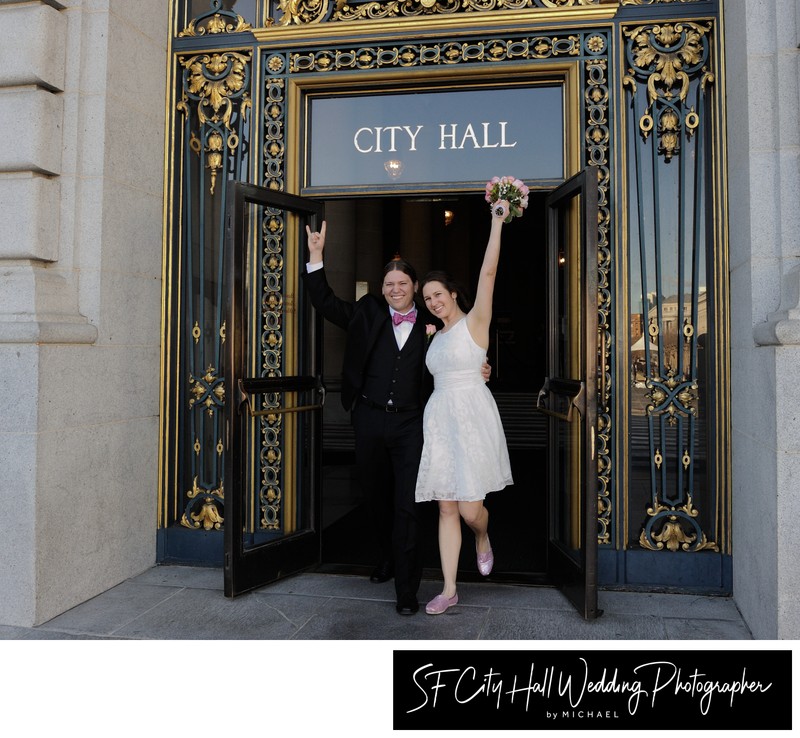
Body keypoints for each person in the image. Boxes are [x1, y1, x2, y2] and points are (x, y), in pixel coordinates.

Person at [302, 222, 491, 615]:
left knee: (408, 505)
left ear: (415, 286)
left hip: (413, 425)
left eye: (402, 283)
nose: (394, 289)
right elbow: (325, 302)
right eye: (388, 283)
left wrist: (484, 369)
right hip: (369, 419)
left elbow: (466, 348)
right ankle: (386, 556)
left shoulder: (434, 319)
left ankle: (407, 591)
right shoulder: (367, 311)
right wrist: (316, 256)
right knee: (373, 496)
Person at [414, 200, 515, 615]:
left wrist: (496, 222)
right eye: (427, 298)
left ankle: (482, 537)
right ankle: (449, 587)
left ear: (453, 293)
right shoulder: (432, 336)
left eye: (438, 294)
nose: (433, 302)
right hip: (439, 422)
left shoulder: (476, 322)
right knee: (446, 504)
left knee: (472, 509)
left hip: (472, 418)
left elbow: (488, 273)